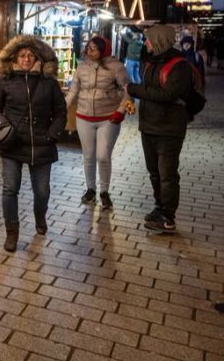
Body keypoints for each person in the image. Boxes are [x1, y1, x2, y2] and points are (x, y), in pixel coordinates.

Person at [0, 35, 68, 252]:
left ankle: (40, 215)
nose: (26, 59)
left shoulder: (48, 82)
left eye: (30, 55)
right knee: (9, 189)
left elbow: (61, 111)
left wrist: (53, 133)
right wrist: (3, 124)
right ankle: (11, 232)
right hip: (13, 142)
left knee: (42, 191)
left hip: (42, 142)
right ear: (15, 57)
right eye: (22, 55)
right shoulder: (4, 80)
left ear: (38, 58)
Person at [126, 24, 194, 233]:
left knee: (167, 174)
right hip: (149, 126)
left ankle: (168, 217)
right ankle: (160, 207)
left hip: (169, 129)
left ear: (159, 40)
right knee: (154, 172)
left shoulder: (180, 65)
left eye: (149, 39)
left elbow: (167, 95)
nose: (145, 43)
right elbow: (153, 90)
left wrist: (134, 89)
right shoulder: (150, 62)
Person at [65, 36, 130, 210]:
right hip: (83, 116)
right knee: (88, 155)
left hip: (108, 117)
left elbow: (127, 92)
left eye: (94, 48)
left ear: (104, 50)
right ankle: (91, 190)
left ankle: (105, 191)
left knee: (102, 156)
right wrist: (63, 107)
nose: (89, 51)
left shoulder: (117, 67)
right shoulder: (81, 66)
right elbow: (73, 91)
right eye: (88, 48)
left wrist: (120, 111)